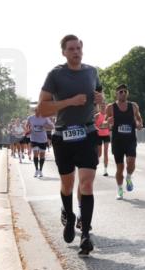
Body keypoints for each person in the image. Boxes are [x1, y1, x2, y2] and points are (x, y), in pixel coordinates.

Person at [36, 35, 104, 256]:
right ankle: (68, 214)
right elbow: (42, 109)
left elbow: (100, 97)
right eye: (71, 49)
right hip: (63, 136)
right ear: (64, 52)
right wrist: (70, 102)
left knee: (86, 184)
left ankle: (85, 234)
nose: (76, 52)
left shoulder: (92, 72)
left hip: (87, 133)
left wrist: (100, 99)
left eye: (79, 48)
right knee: (67, 184)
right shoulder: (55, 75)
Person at [103, 85, 143, 200]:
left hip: (130, 140)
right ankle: (120, 189)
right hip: (117, 141)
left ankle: (129, 177)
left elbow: (139, 119)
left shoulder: (133, 106)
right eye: (121, 91)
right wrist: (108, 122)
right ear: (116, 93)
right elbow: (104, 123)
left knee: (131, 162)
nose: (123, 93)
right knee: (120, 168)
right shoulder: (111, 107)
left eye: (125, 91)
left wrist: (140, 124)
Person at [25, 108, 55, 178]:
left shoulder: (45, 118)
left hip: (42, 139)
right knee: (35, 154)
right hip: (34, 138)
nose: (37, 113)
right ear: (34, 111)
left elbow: (52, 127)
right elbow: (26, 125)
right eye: (35, 111)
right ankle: (36, 170)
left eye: (38, 111)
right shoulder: (30, 118)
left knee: (42, 155)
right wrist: (28, 130)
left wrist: (45, 126)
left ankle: (41, 170)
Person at [95, 107, 112, 176]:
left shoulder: (108, 116)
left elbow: (111, 126)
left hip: (106, 135)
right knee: (99, 153)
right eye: (102, 106)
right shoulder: (97, 116)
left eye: (104, 106)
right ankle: (95, 164)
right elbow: (93, 125)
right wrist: (98, 127)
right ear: (99, 107)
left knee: (106, 152)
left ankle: (105, 170)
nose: (103, 108)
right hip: (99, 135)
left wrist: (108, 126)